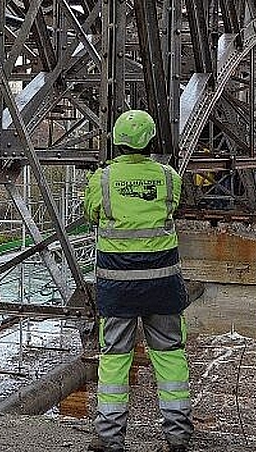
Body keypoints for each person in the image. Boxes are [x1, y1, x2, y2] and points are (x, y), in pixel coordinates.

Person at [83, 110, 192, 452]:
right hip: (163, 286)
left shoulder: (102, 180)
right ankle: (177, 437)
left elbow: (91, 214)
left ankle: (109, 440)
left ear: (116, 141)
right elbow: (174, 206)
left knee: (115, 360)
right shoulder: (168, 177)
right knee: (171, 357)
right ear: (150, 140)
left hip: (118, 287)